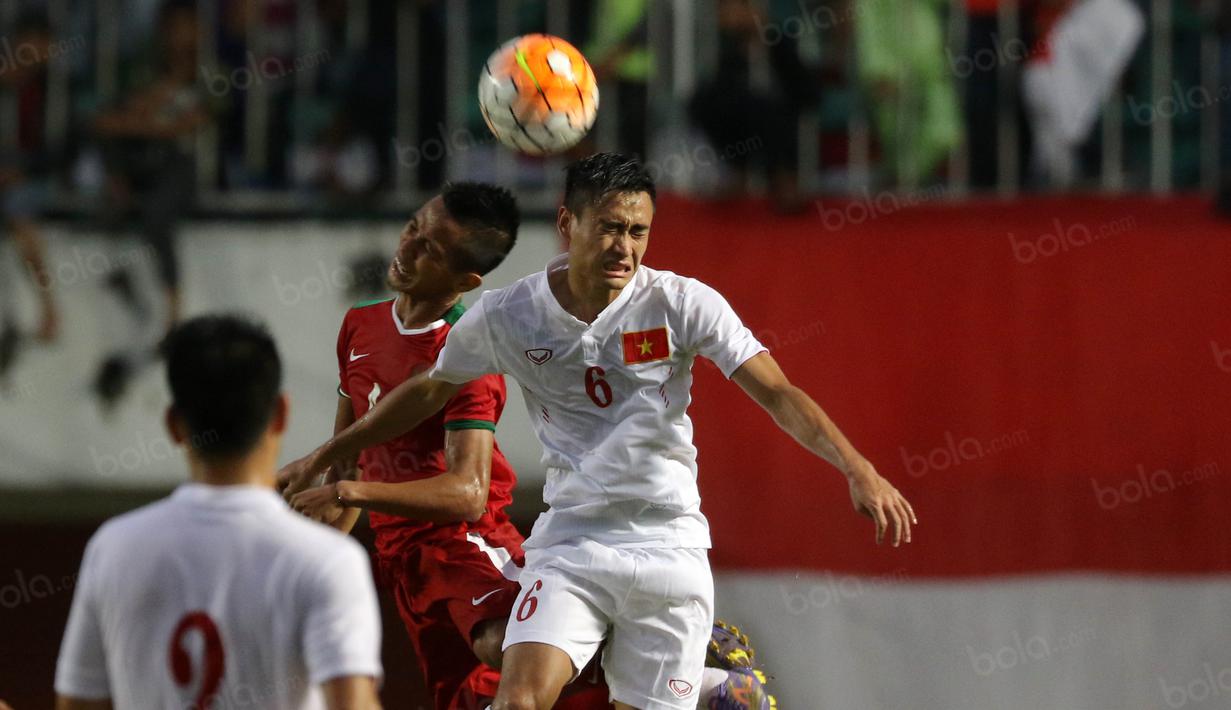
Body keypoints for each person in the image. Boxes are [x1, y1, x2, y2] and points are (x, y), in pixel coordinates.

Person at [281, 153, 913, 710]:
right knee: (518, 699)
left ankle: (709, 683)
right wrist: (329, 455)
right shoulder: (510, 314)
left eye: (638, 232)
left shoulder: (683, 303)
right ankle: (702, 681)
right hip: (572, 543)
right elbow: (424, 392)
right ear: (568, 225)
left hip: (669, 546)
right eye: (610, 227)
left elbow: (777, 392)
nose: (625, 248)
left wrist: (858, 468)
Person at [54, 315, 383, 709]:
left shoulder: (113, 549)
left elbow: (76, 704)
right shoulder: (328, 562)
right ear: (280, 413)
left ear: (174, 425)